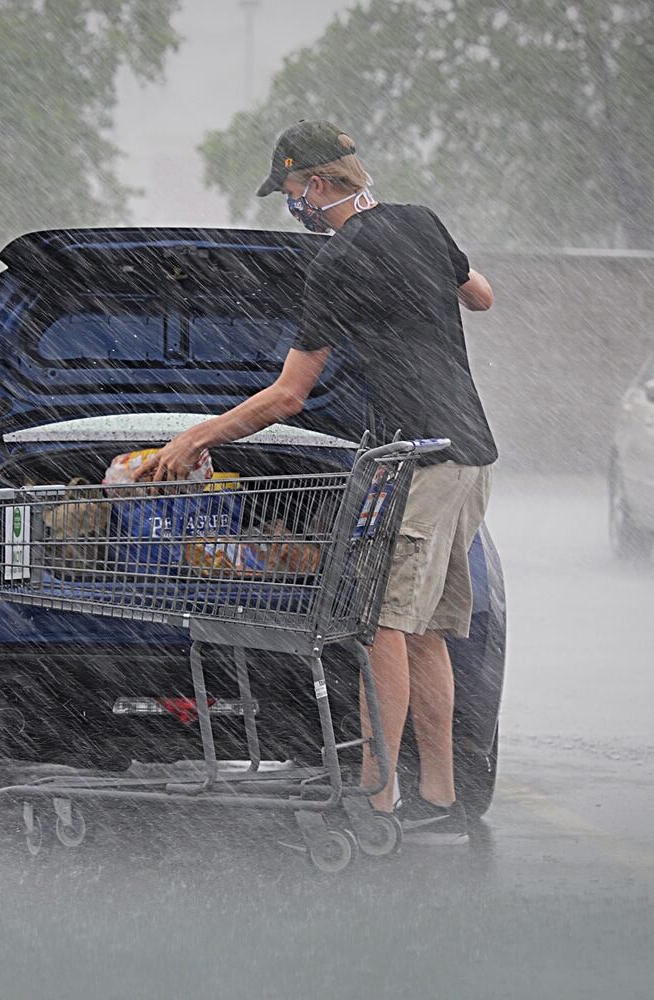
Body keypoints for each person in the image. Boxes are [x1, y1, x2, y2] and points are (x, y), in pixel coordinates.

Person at [137, 120, 496, 845]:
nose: (290, 206)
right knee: (425, 632)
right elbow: (481, 296)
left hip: (418, 456)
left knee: (380, 626)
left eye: (291, 191)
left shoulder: (338, 261)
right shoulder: (421, 222)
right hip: (472, 453)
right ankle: (437, 795)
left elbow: (289, 395)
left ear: (319, 184)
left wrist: (194, 437)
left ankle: (377, 796)